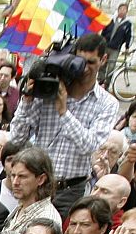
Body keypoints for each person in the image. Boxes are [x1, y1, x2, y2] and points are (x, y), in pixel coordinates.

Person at [9, 33, 118, 213]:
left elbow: (89, 146)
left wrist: (63, 111)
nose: (84, 69)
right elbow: (17, 138)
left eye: (90, 62)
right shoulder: (48, 89)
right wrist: (27, 100)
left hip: (71, 189)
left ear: (103, 59)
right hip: (38, 186)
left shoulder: (107, 103)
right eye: (79, 61)